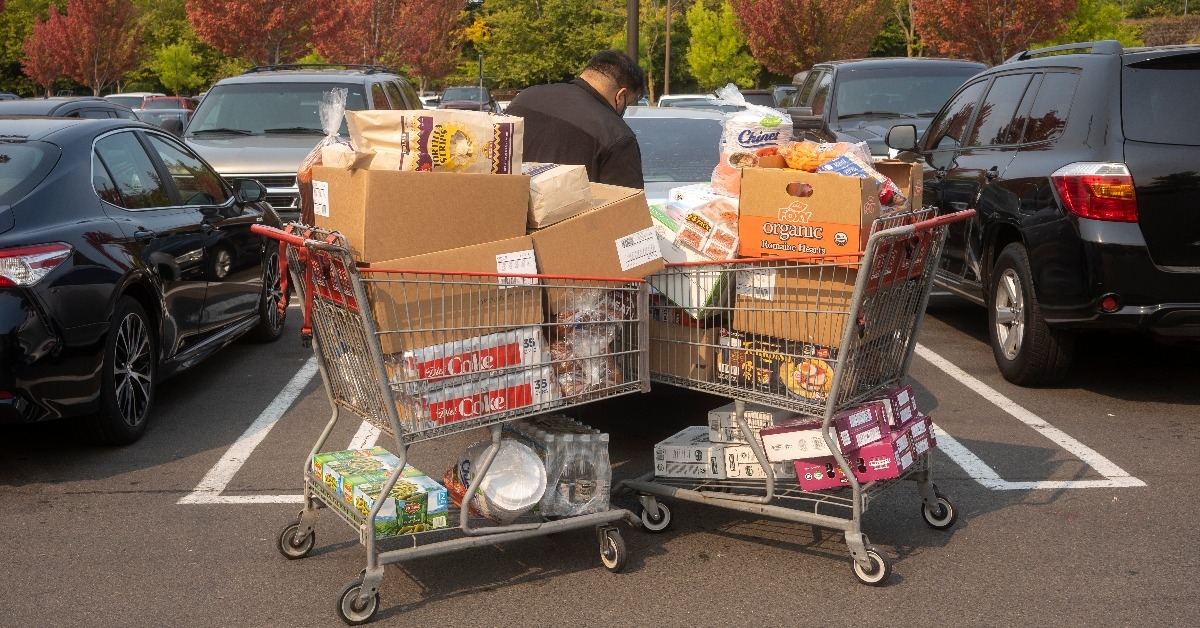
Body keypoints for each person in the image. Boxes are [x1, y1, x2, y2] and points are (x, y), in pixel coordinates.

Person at [505, 50, 646, 189]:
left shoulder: (524, 98)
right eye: (627, 104)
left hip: (504, 208)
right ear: (621, 96)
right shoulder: (617, 135)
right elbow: (627, 209)